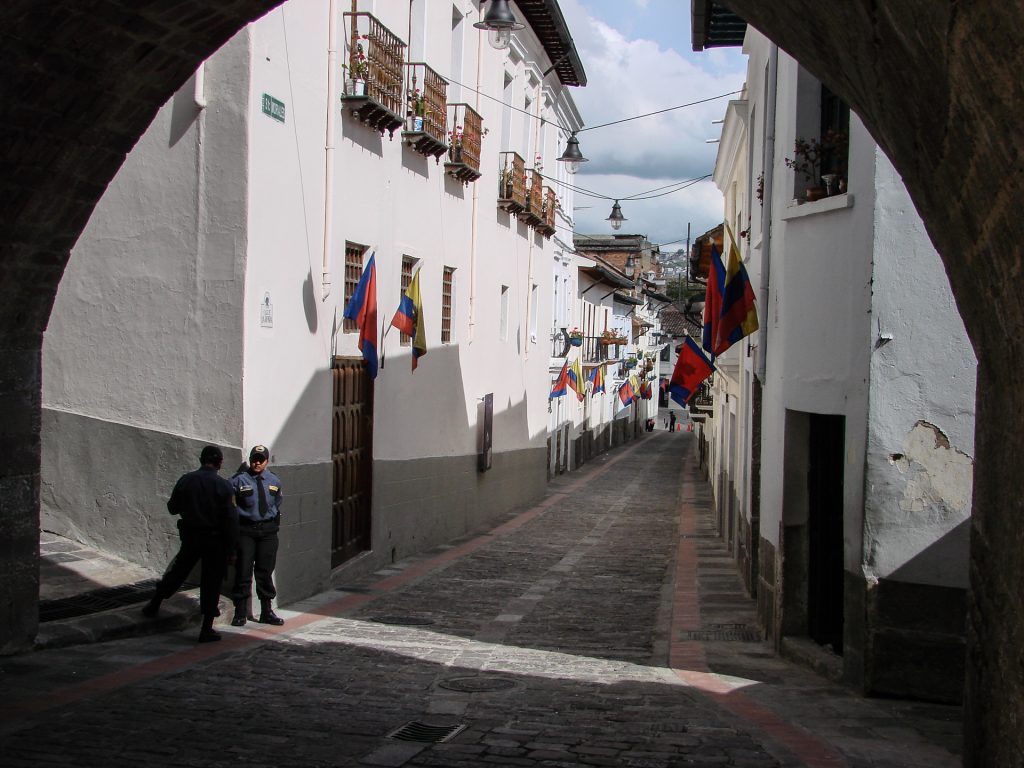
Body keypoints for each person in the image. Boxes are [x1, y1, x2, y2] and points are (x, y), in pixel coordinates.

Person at [142, 445, 238, 643]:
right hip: (215, 540)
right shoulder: (223, 486)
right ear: (219, 463)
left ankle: (155, 602)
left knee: (178, 572)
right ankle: (206, 629)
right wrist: (231, 549)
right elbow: (231, 520)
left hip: (191, 536)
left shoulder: (186, 480)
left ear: (201, 460)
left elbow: (172, 507)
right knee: (211, 582)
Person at [230, 445, 285, 627]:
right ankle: (240, 611)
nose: (257, 462)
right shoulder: (238, 480)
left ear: (267, 461)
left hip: (268, 531)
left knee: (265, 571)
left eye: (261, 459)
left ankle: (266, 610)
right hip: (246, 530)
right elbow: (230, 504)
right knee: (243, 570)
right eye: (255, 458)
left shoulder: (274, 481)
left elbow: (277, 502)